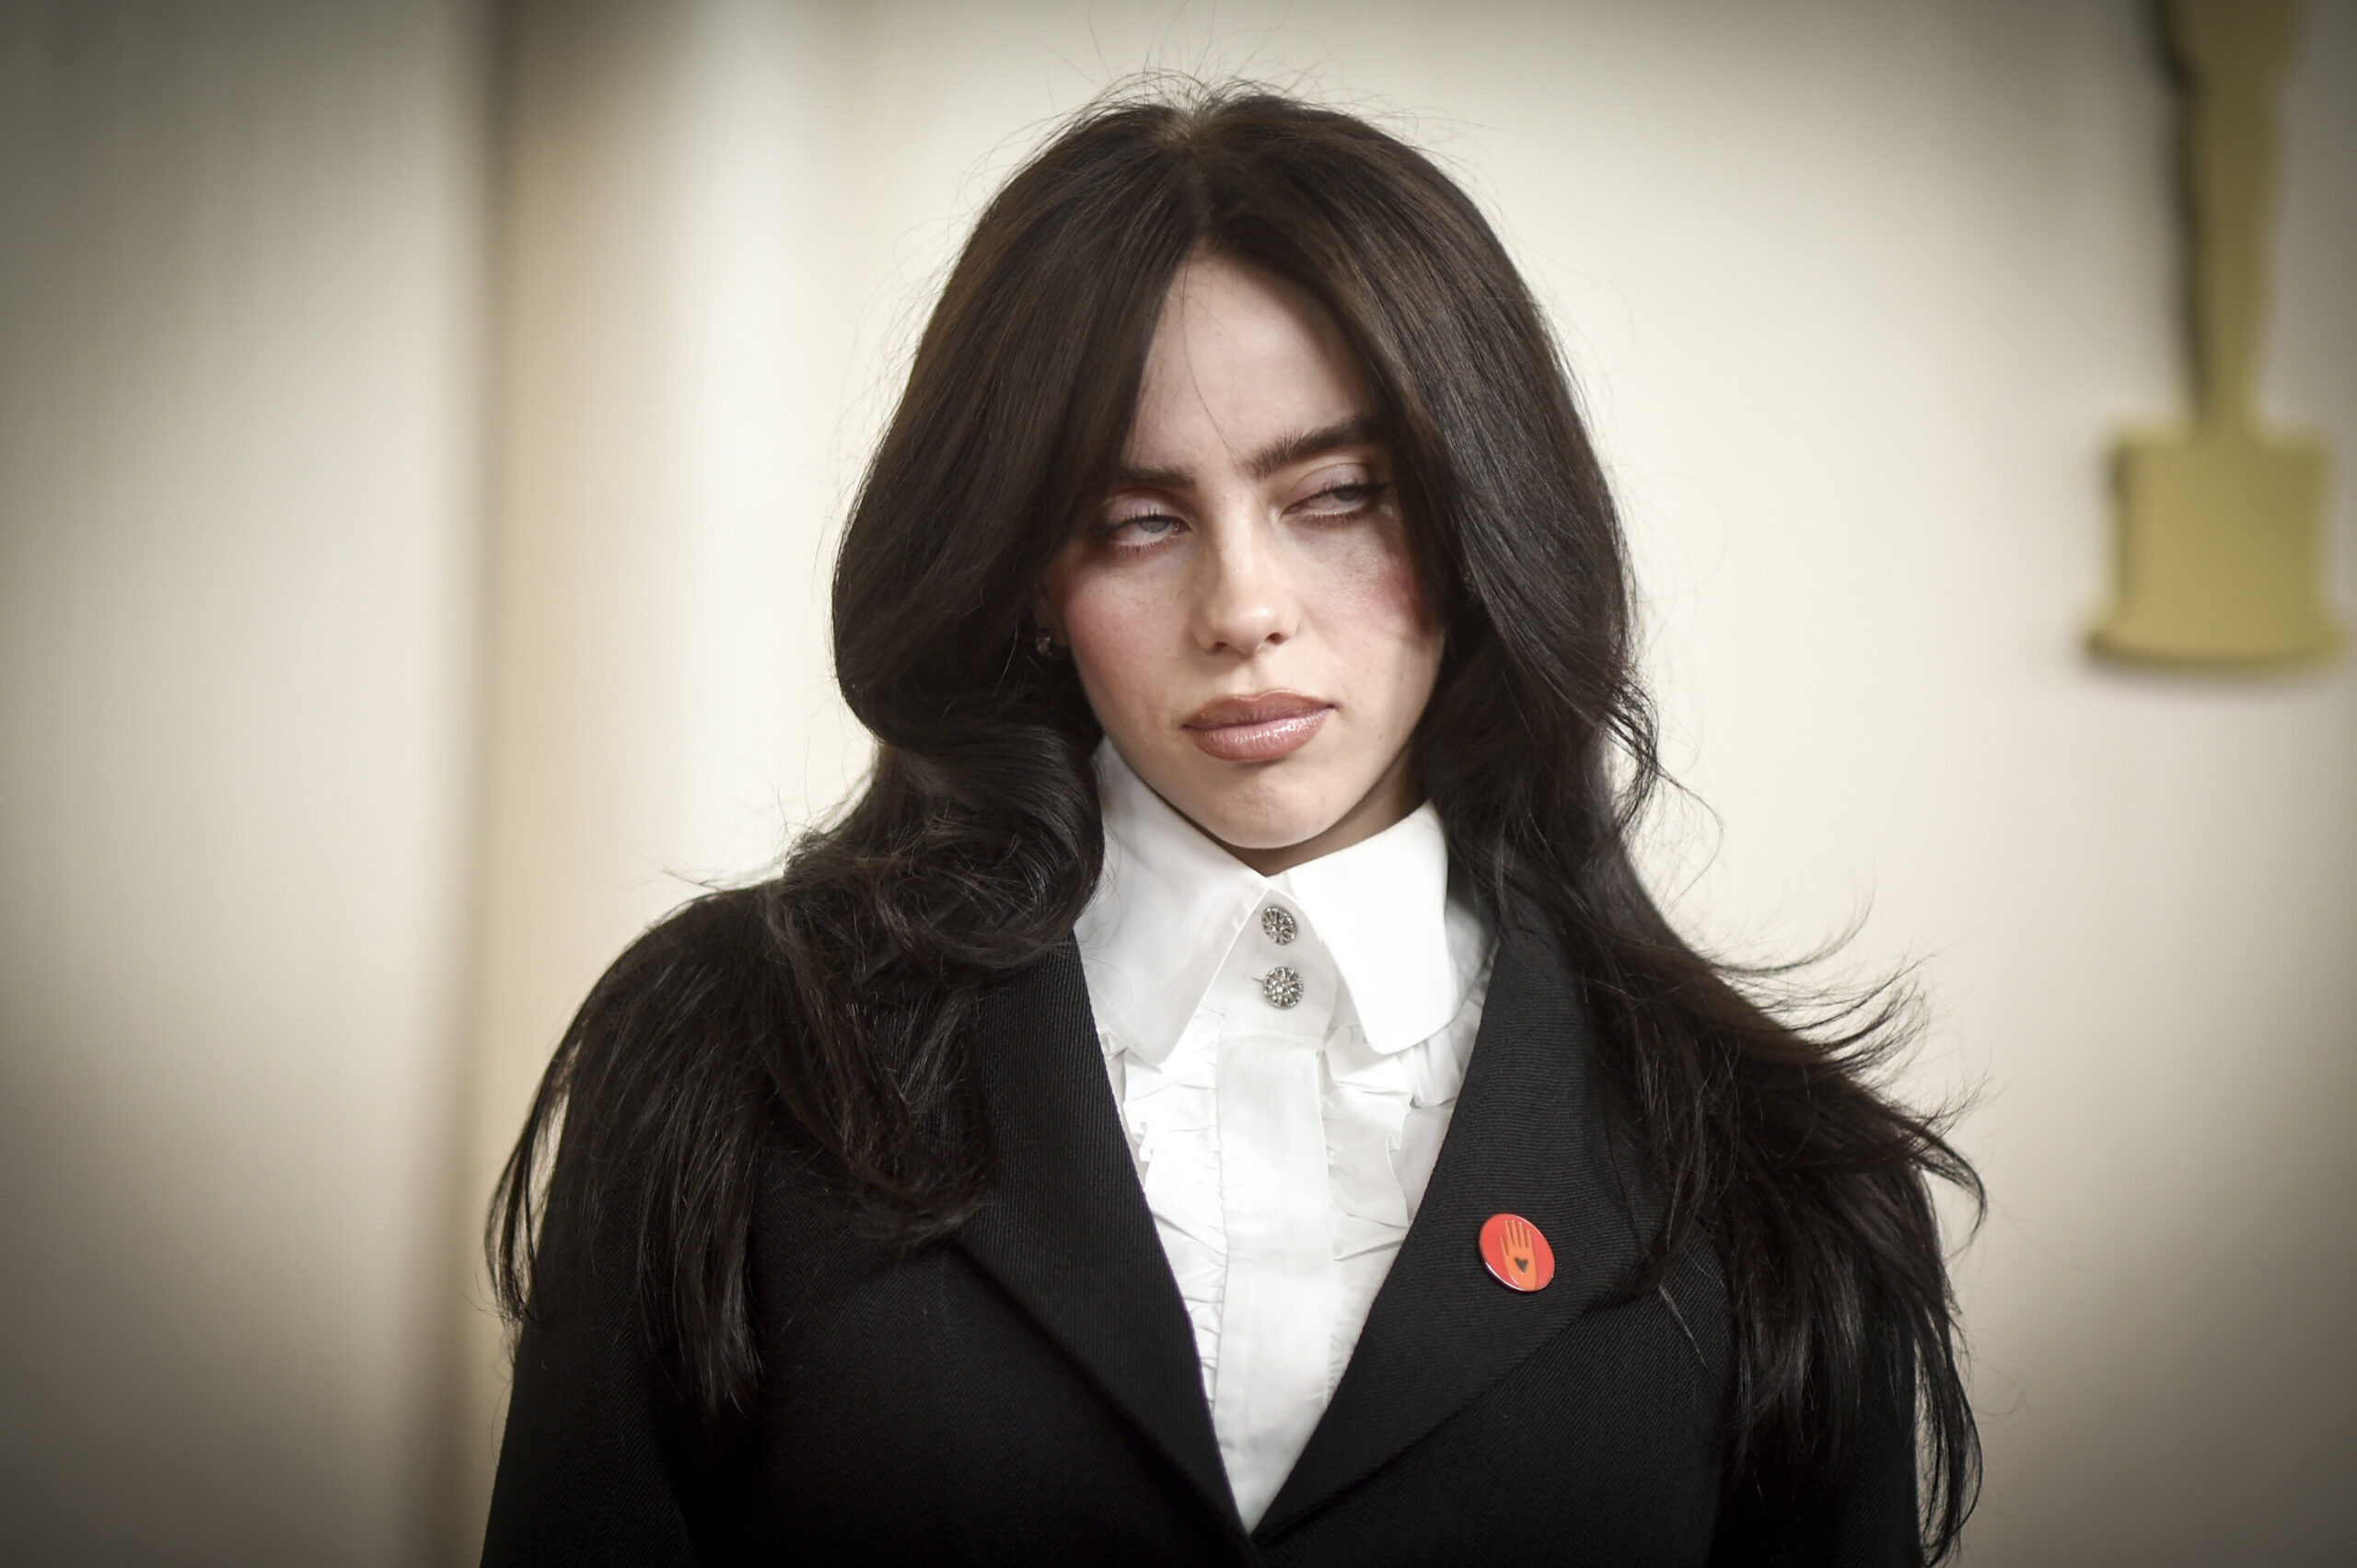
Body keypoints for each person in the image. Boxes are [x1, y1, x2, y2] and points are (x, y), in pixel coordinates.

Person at [481, 83, 1979, 1566]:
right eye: (1137, 522)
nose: (1244, 611)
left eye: (1338, 496)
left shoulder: (1779, 1168)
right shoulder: (732, 1059)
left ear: (1478, 521)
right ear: (1027, 580)